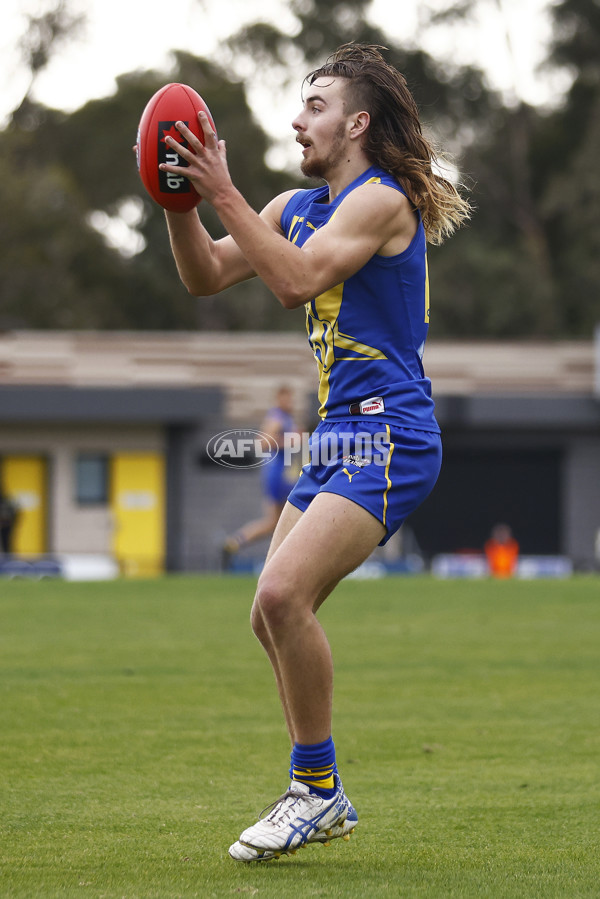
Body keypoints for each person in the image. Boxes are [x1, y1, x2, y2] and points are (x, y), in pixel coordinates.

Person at [160, 43, 470, 862]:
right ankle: (319, 791)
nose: (298, 119)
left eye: (316, 105)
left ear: (357, 122)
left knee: (285, 593)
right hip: (338, 433)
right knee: (267, 609)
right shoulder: (292, 205)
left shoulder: (382, 200)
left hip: (392, 433)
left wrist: (220, 186)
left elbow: (296, 282)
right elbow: (205, 277)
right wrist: (179, 198)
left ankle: (316, 793)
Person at [222, 385, 301, 570]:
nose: (290, 403)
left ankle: (234, 543)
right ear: (279, 399)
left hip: (283, 474)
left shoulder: (287, 418)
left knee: (276, 522)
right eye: (287, 398)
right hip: (277, 475)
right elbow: (262, 443)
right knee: (284, 520)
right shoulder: (277, 417)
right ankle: (278, 561)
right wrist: (289, 441)